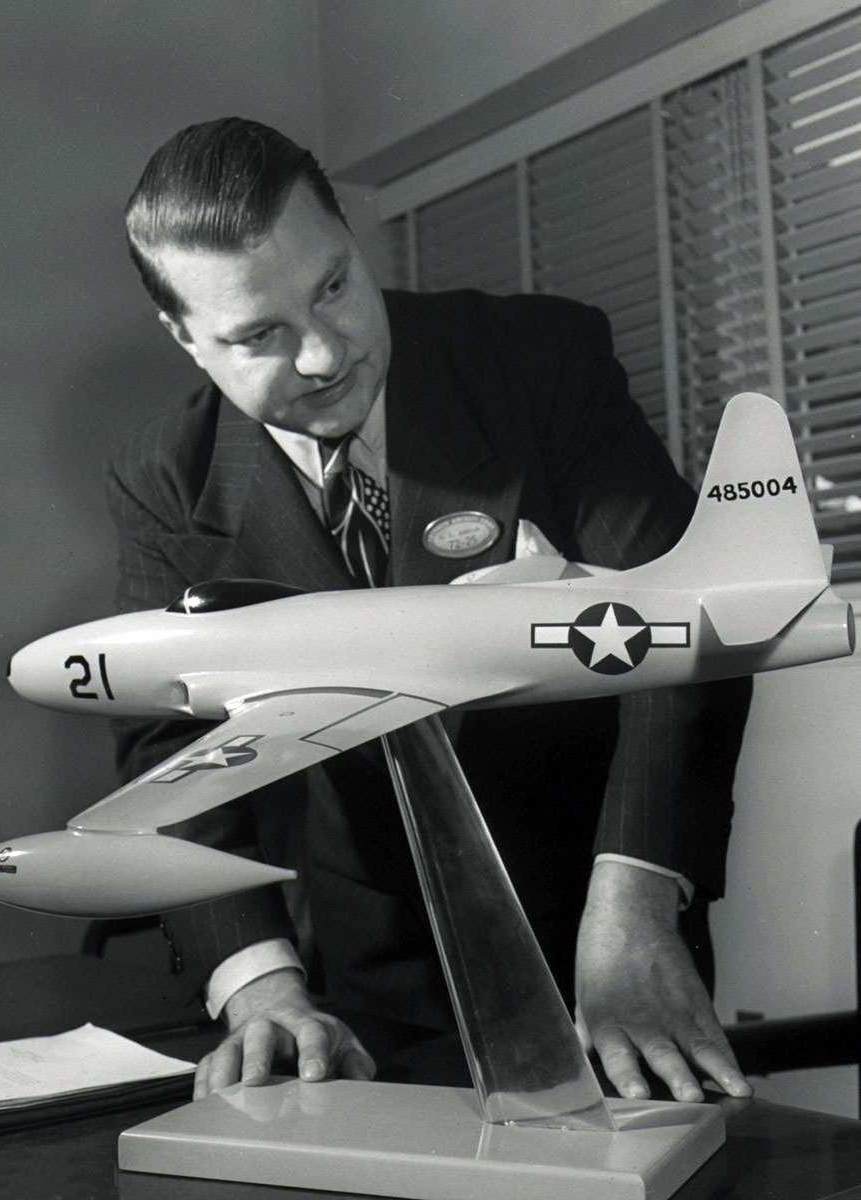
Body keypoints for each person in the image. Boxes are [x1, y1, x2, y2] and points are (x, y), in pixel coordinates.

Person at [109, 116, 754, 1105]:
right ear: (183, 338)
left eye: (332, 286)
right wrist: (259, 987)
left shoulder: (536, 358)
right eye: (258, 335)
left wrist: (633, 901)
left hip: (604, 940)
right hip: (357, 998)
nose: (324, 354)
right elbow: (170, 749)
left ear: (352, 244)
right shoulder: (164, 478)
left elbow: (678, 624)